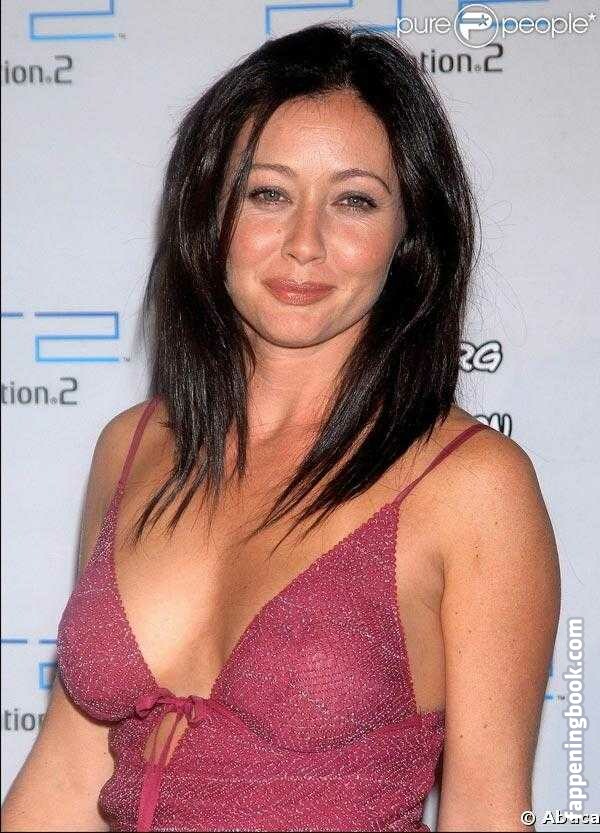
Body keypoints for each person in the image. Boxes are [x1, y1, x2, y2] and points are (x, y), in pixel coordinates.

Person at [1, 21, 560, 833]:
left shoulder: (474, 486)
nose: (305, 243)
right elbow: (65, 777)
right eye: (267, 193)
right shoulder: (132, 448)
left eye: (354, 200)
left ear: (409, 234)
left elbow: (488, 812)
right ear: (210, 210)